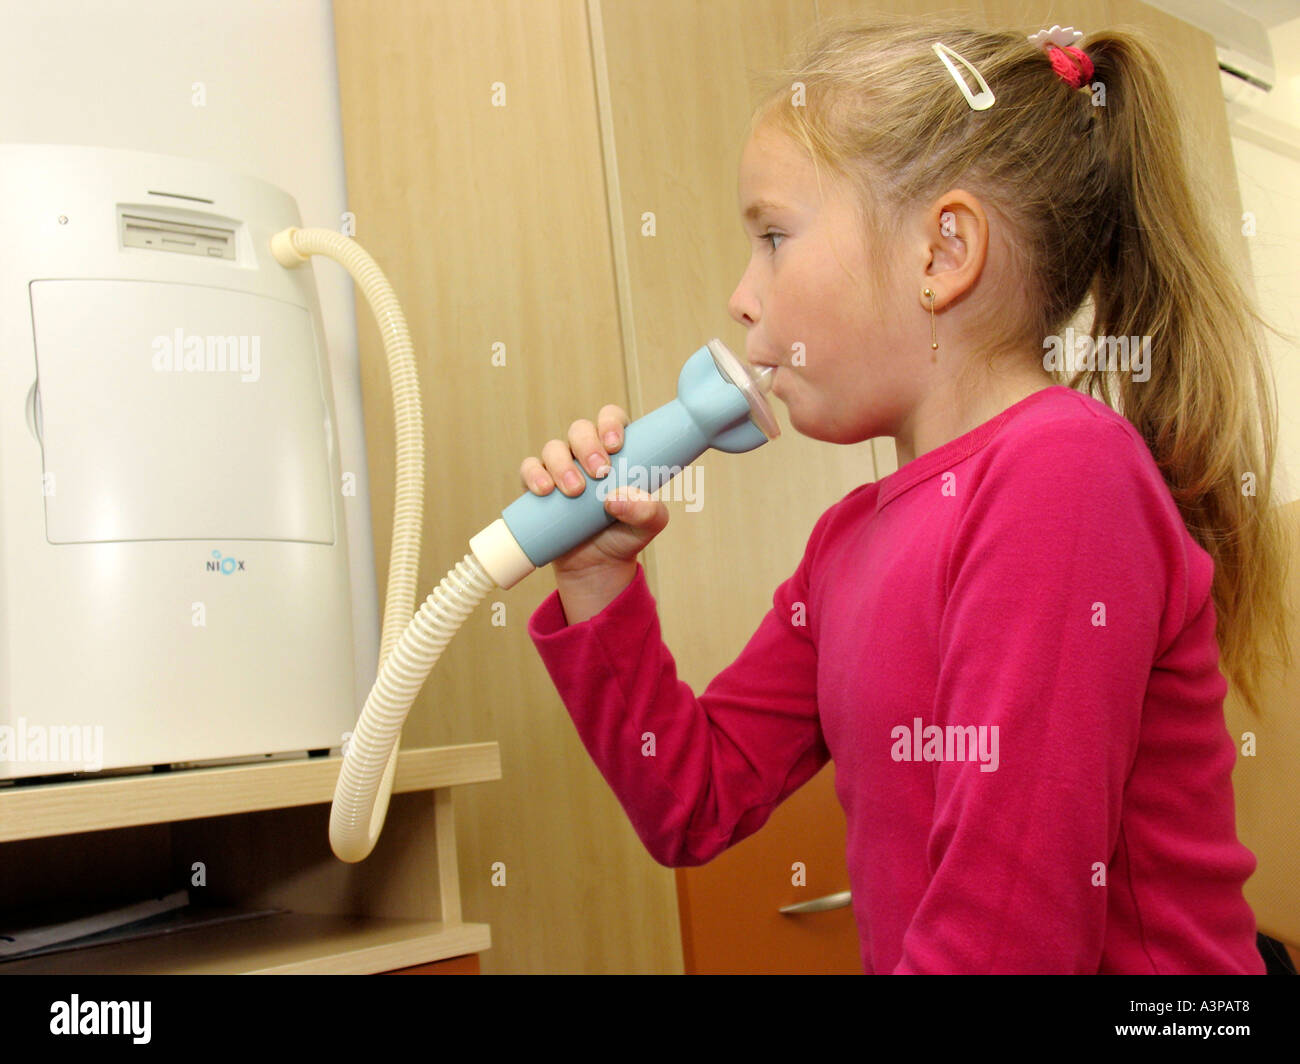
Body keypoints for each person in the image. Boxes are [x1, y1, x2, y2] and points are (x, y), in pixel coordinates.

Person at [519, 14, 1290, 973]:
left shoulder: (1064, 474)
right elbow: (694, 802)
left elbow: (1011, 937)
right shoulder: (847, 543)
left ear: (941, 253)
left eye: (772, 237)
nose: (741, 297)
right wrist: (596, 585)